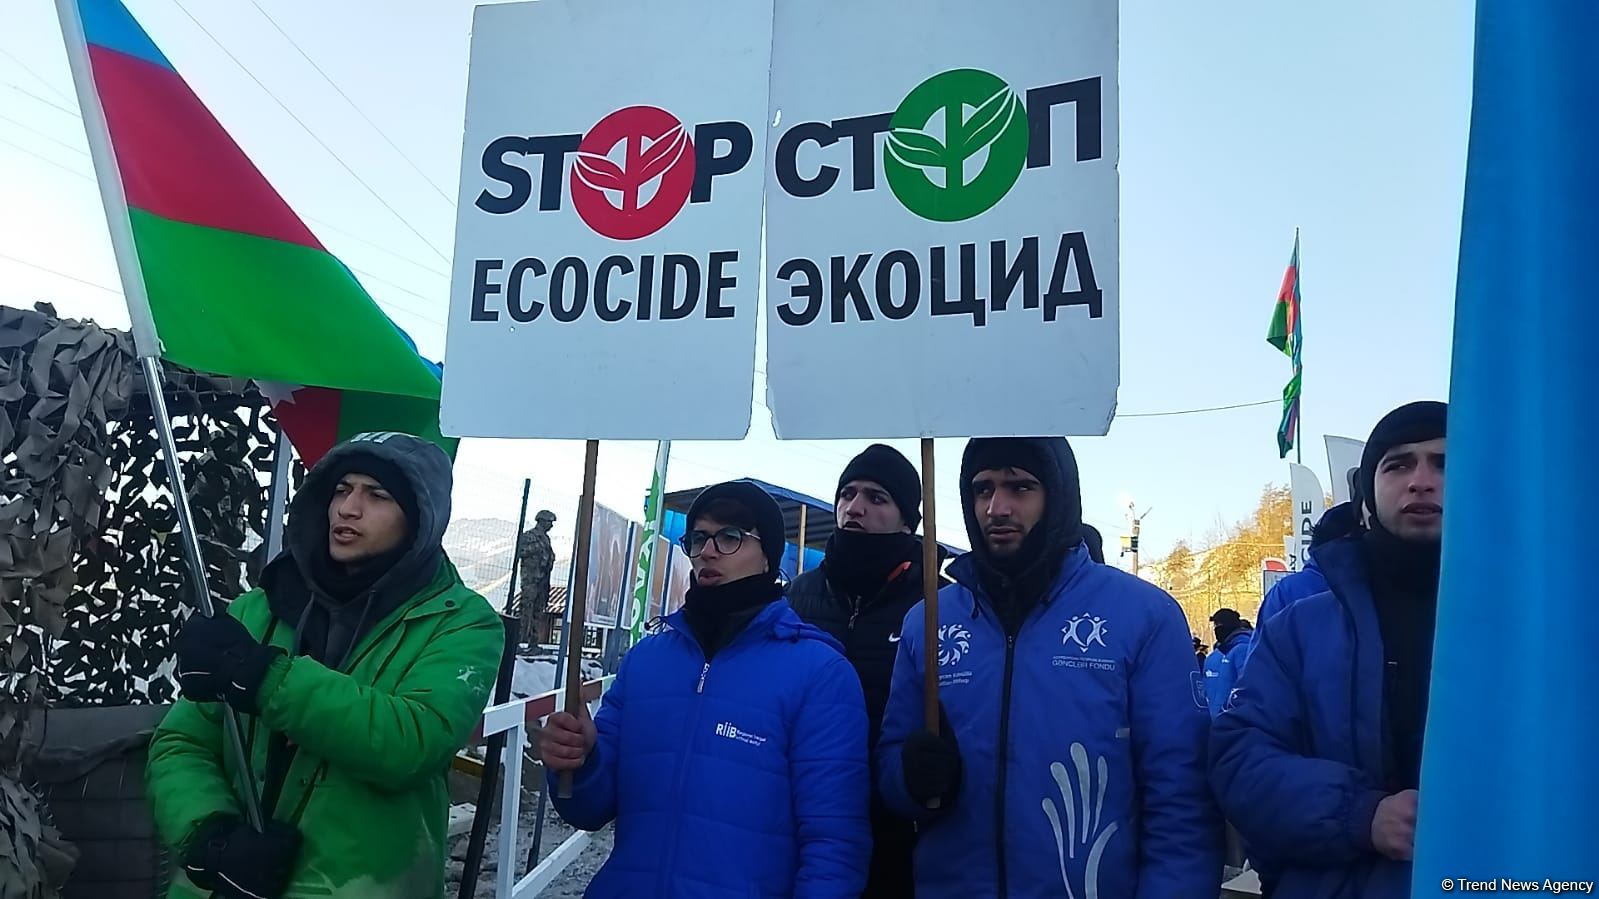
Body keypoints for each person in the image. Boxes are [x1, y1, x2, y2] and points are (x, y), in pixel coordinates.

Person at [147, 433, 503, 899]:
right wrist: (211, 836)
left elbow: (414, 741)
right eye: (341, 489)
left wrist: (267, 679)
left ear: (419, 517)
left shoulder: (460, 623)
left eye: (377, 495)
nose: (348, 509)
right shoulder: (260, 608)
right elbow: (183, 740)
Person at [876, 437, 1221, 898]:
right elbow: (890, 767)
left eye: (1020, 487)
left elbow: (1181, 803)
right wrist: (912, 779)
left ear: (1058, 495)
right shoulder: (929, 620)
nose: (997, 508)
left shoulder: (1143, 616)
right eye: (982, 489)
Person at [541, 480, 871, 897]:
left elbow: (834, 847)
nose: (708, 552)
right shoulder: (646, 662)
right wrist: (580, 760)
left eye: (730, 537)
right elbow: (588, 808)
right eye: (698, 539)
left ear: (768, 555)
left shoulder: (820, 673)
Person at [1211, 401, 1447, 899]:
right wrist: (1360, 814)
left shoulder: (1541, 626)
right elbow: (1240, 759)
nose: (1421, 481)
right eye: (1398, 465)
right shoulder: (1298, 629)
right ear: (1368, 494)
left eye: (1444, 464)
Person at [788, 444, 934, 897]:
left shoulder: (937, 605)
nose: (854, 507)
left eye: (876, 497)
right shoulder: (795, 599)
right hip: (804, 823)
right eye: (847, 493)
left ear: (908, 521)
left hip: (901, 836)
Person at [1248, 497, 1365, 659]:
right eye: (1362, 535)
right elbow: (1261, 660)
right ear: (1344, 539)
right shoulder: (1287, 591)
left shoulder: (1379, 585)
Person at [1204, 609, 1254, 718]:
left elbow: (1248, 688)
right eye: (1215, 625)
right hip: (1214, 720)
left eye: (1218, 625)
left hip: (1236, 720)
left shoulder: (1244, 649)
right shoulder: (1214, 655)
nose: (1216, 629)